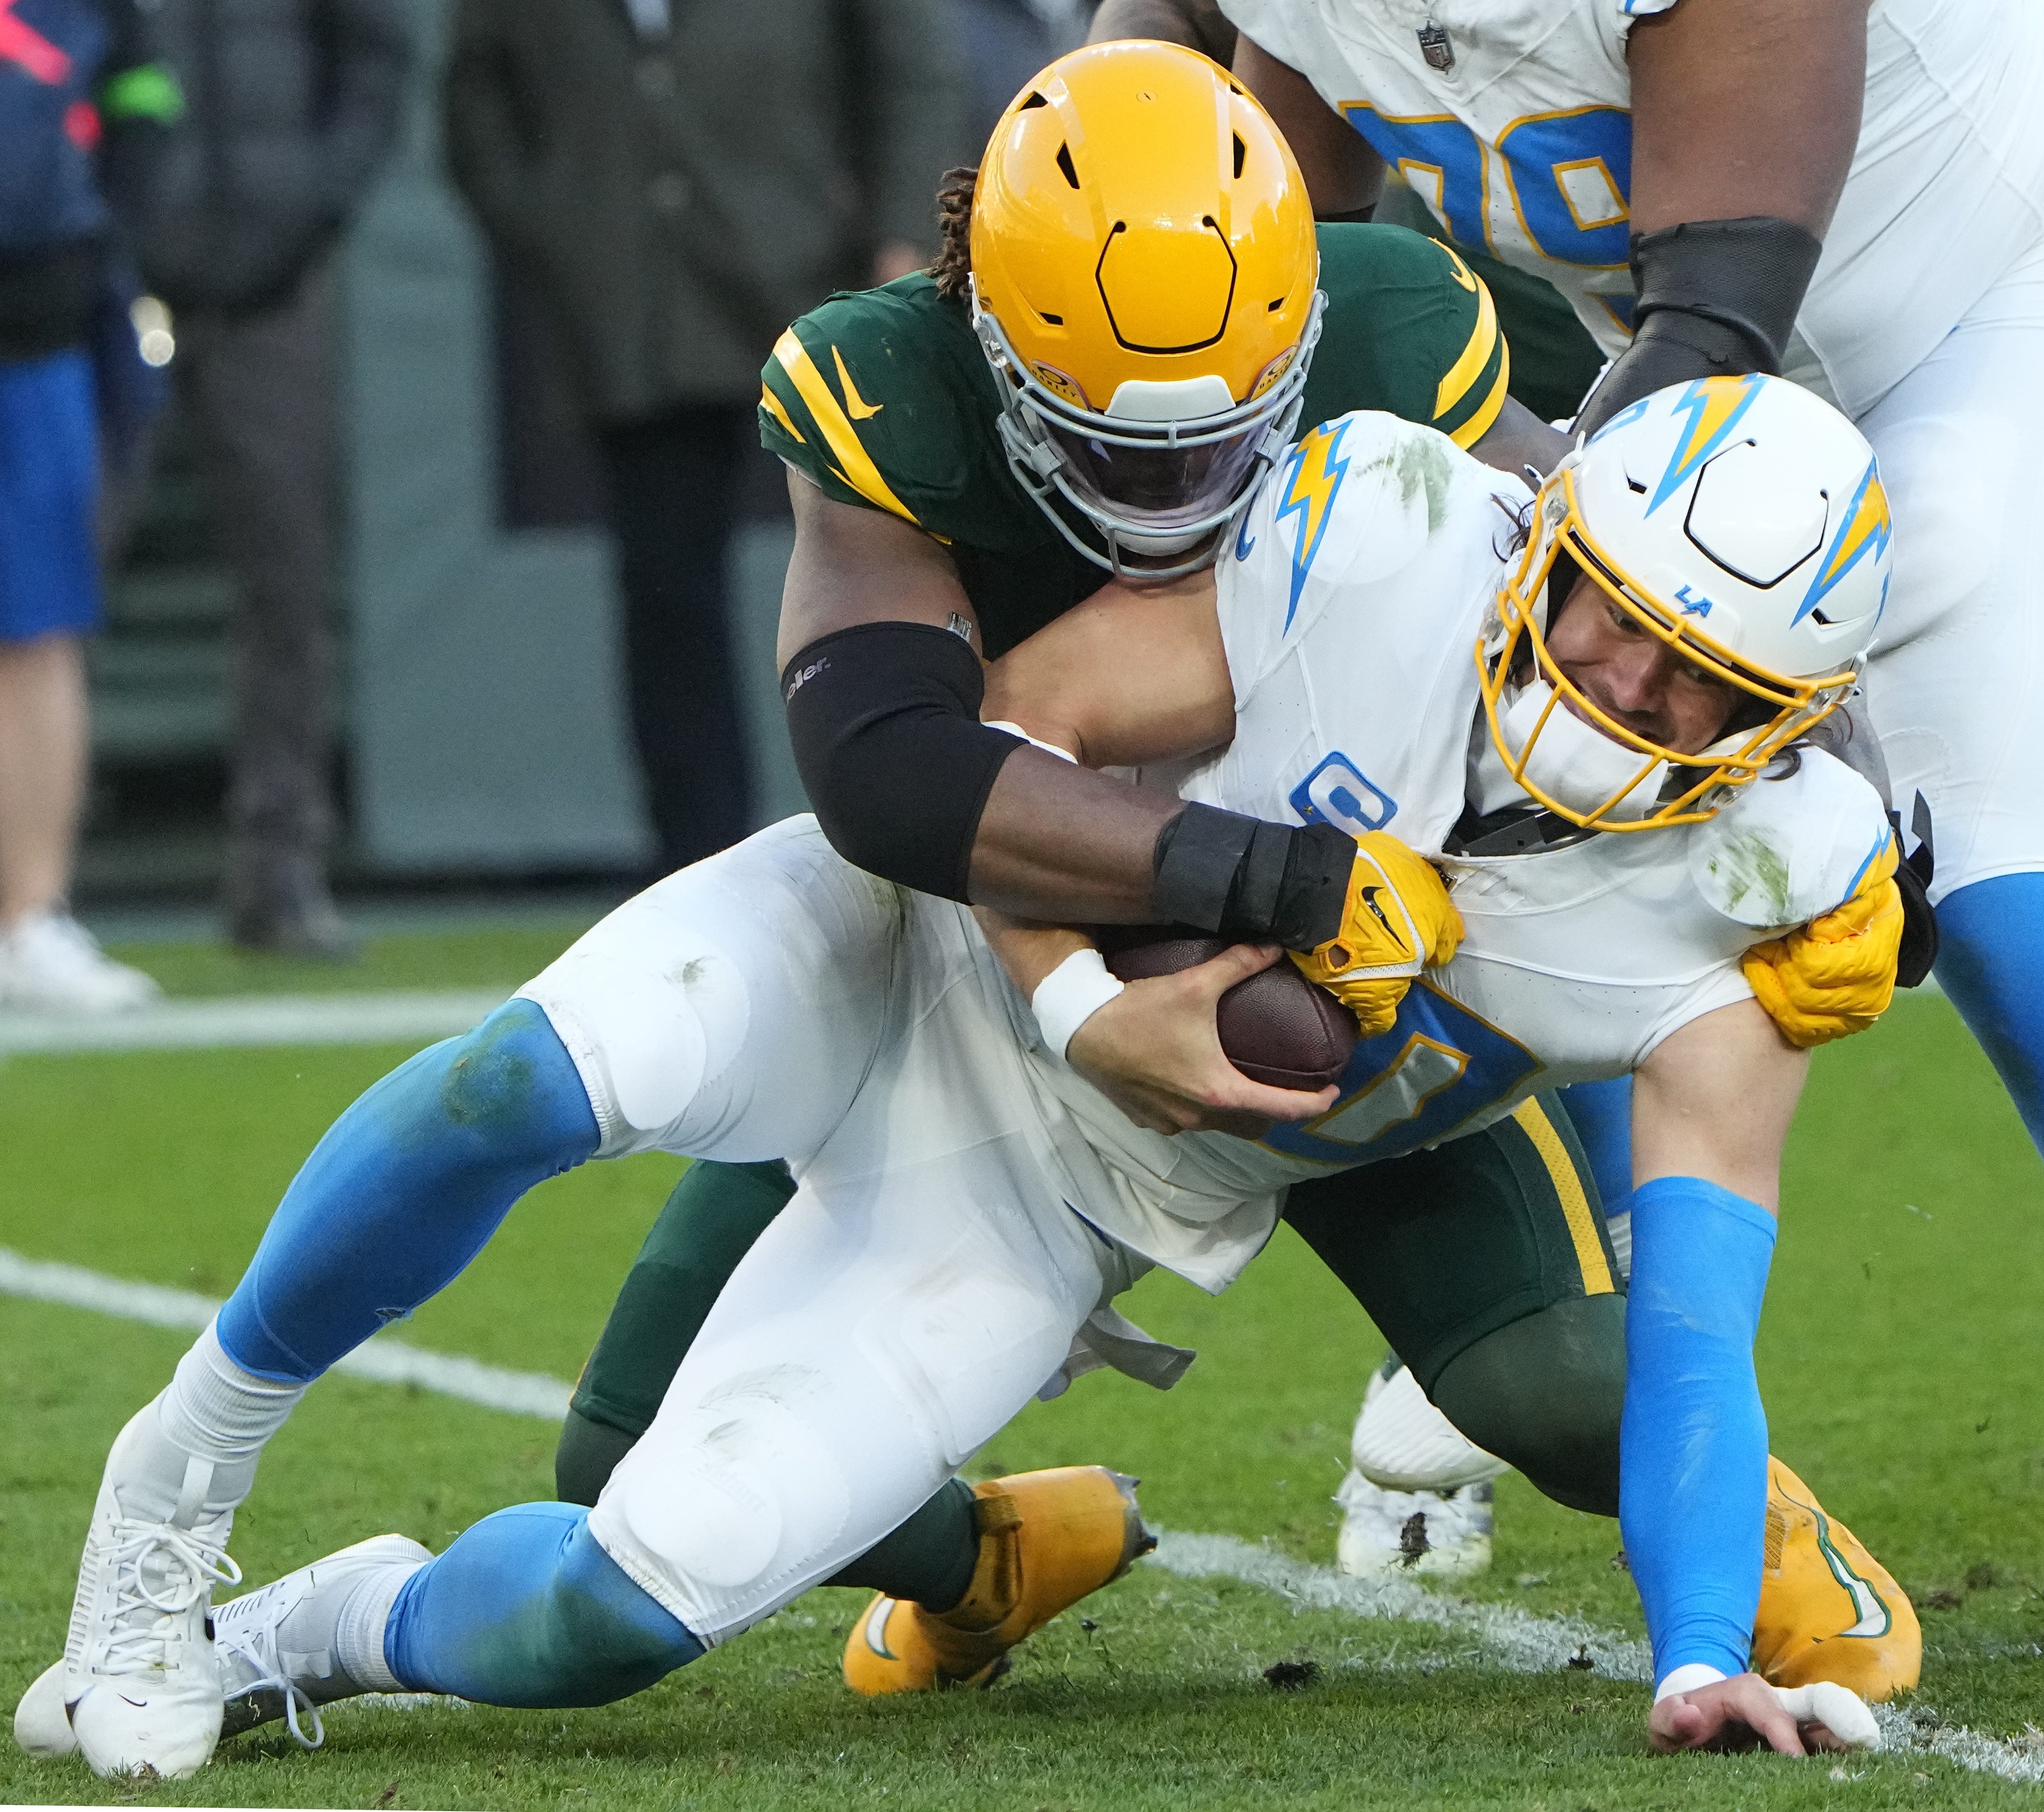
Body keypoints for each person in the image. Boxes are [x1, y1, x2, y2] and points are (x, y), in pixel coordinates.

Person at [16, 371, 1910, 1779]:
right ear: (1545, 538)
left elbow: (1693, 1332)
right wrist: (1087, 995)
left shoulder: (1750, 908)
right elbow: (1024, 733)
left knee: (625, 1600)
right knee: (519, 1082)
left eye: (1701, 685)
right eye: (1612, 618)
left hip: (1054, 1199)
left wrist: (1690, 1654)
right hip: (909, 940)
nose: (1623, 690)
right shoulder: (1391, 540)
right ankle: (169, 1484)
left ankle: (292, 1633)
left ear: (1788, 730)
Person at [1201, 0, 2044, 1477]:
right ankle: (1596, 1282)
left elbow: (1717, 315)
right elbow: (1263, 273)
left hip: (1972, 309)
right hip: (1714, 416)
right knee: (1536, 749)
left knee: (1977, 856)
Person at [444, 0, 972, 878]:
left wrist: (901, 239)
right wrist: (556, 218)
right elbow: (476, 97)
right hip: (630, 294)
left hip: (824, 282)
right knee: (668, 597)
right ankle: (699, 866)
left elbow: (910, 65)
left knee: (906, 563)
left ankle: (940, 822)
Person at [124, 0, 409, 954]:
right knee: (42, 592)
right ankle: (29, 891)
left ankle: (280, 871)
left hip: (272, 282)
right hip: (103, 285)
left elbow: (375, 59)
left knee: (287, 586)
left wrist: (313, 202)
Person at [0, 0, 178, 1011]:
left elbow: (144, 102)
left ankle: (32, 918)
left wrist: (102, 247)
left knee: (38, 629)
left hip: (38, 333)